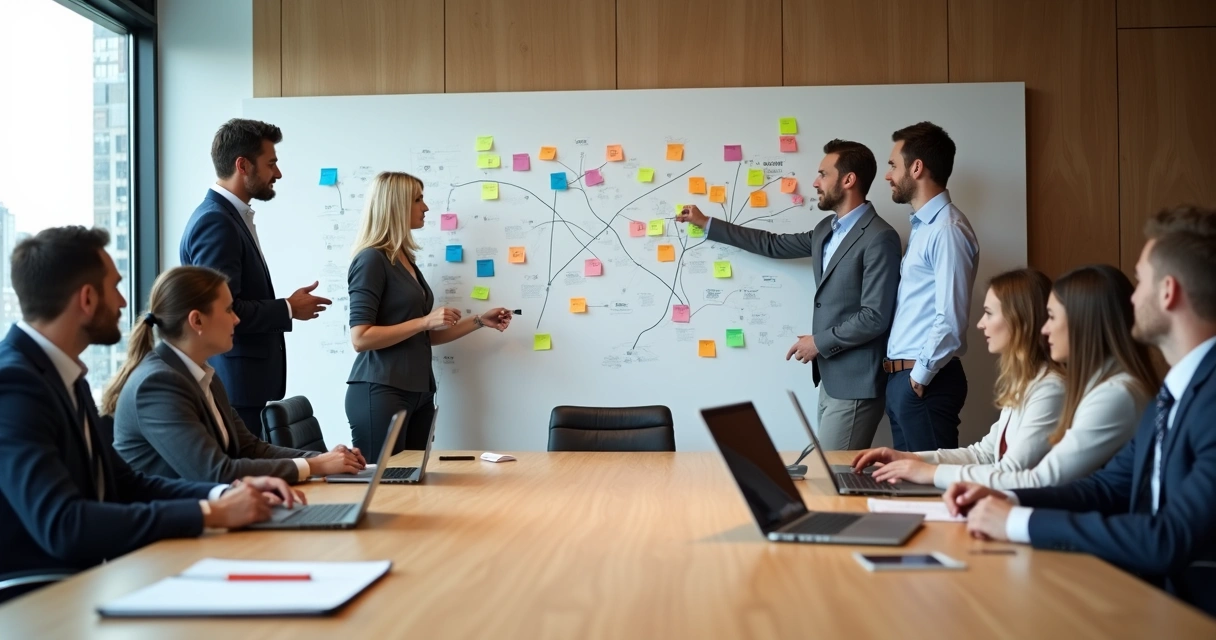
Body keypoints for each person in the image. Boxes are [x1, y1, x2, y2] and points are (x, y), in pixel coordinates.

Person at [0, 227, 299, 602]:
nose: (125, 302)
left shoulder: (64, 375)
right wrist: (210, 512)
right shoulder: (14, 384)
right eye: (116, 287)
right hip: (39, 598)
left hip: (89, 581)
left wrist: (226, 492)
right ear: (88, 299)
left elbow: (126, 485)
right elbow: (64, 524)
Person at [949, 206, 1216, 617]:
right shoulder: (1173, 394)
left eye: (1140, 280)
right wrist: (1007, 496)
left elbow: (1169, 537)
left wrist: (1018, 522)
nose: (1131, 296)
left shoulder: (1206, 397)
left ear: (1168, 292)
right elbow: (1106, 487)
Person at [676, 139, 901, 449]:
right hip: (831, 379)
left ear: (848, 180)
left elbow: (875, 316)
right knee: (831, 473)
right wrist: (706, 224)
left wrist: (818, 342)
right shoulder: (827, 229)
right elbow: (773, 244)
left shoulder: (880, 237)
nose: (815, 182)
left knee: (834, 477)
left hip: (858, 383)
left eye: (823, 173)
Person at [103, 266, 367, 484]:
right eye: (229, 309)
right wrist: (314, 464)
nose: (237, 320)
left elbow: (251, 448)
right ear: (197, 321)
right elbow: (215, 473)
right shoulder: (157, 384)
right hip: (166, 538)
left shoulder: (203, 374)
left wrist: (327, 458)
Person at [180, 118, 332, 438]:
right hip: (236, 386)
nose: (278, 173)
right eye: (271, 163)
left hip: (244, 387)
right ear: (243, 165)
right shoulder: (216, 222)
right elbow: (224, 311)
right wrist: (288, 309)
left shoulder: (230, 216)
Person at [347, 171, 514, 460]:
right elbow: (360, 338)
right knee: (385, 487)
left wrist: (478, 321)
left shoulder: (404, 259)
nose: (425, 207)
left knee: (412, 482)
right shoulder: (371, 259)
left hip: (419, 392)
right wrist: (424, 320)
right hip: (382, 390)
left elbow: (424, 336)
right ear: (396, 206)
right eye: (418, 200)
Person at [851, 268, 1064, 487]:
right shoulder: (1026, 384)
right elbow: (982, 455)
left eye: (989, 313)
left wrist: (928, 472)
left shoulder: (1050, 390)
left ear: (1020, 320)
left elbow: (1010, 473)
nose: (981, 323)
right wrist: (911, 459)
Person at [882, 121, 980, 451]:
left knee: (932, 493)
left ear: (917, 167)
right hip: (906, 380)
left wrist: (919, 377)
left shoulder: (947, 230)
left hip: (924, 381)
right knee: (910, 492)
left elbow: (951, 319)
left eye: (894, 165)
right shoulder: (925, 227)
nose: (888, 175)